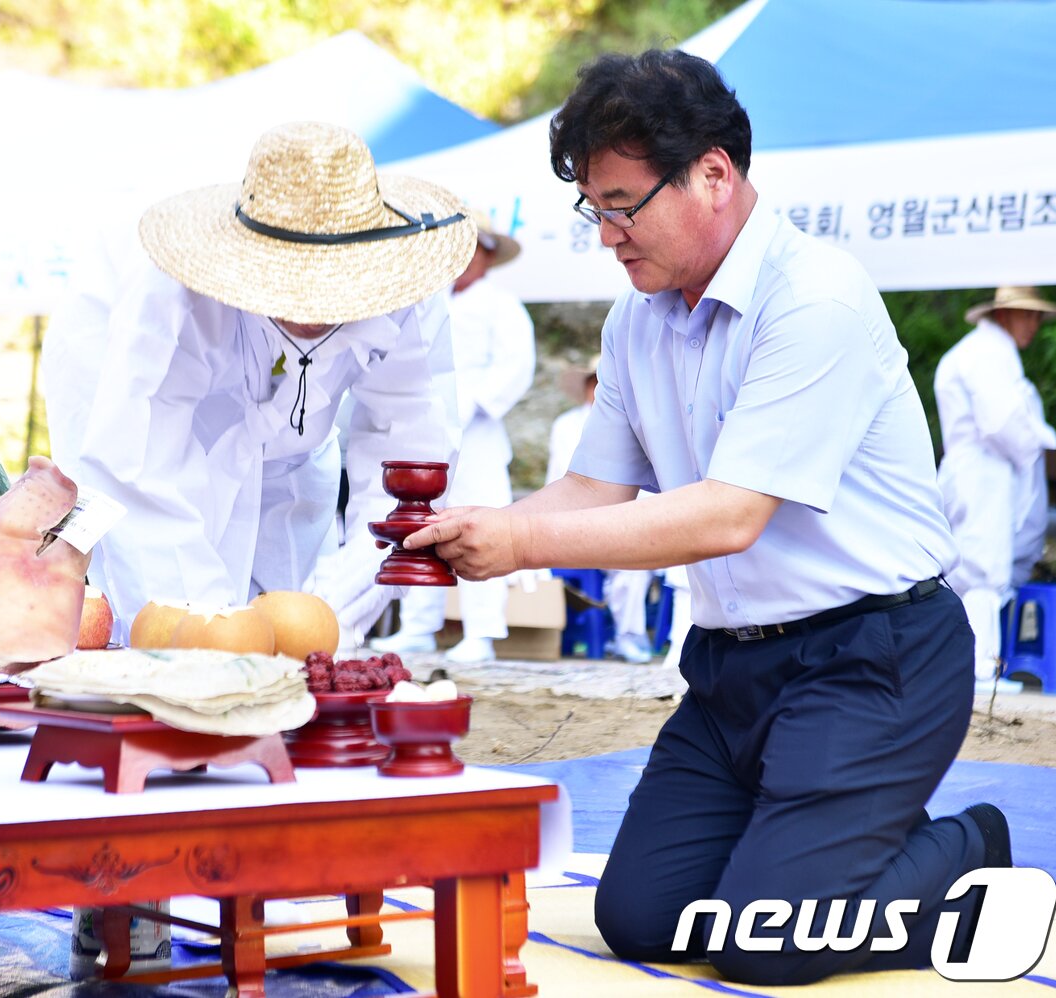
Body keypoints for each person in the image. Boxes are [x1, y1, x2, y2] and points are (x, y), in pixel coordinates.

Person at [402, 50, 1000, 986]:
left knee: (768, 944)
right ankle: (832, 834)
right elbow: (594, 490)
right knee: (641, 919)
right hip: (733, 672)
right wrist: (475, 525)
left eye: (623, 205)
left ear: (714, 173)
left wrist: (519, 541)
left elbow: (727, 517)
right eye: (593, 209)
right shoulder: (637, 322)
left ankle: (968, 850)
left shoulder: (812, 297)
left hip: (873, 659)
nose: (606, 236)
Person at [42, 122, 475, 646]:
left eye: (335, 283)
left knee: (293, 608)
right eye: (292, 283)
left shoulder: (409, 283)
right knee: (180, 632)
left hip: (293, 444)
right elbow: (137, 469)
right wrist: (208, 636)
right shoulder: (164, 290)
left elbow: (411, 458)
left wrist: (332, 615)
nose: (312, 309)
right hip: (135, 413)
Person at [371, 215, 535, 662]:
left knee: (485, 524)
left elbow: (516, 365)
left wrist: (476, 402)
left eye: (471, 249)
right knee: (421, 521)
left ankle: (482, 634)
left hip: (477, 434)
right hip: (427, 429)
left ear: (487, 254)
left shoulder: (502, 304)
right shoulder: (431, 301)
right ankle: (418, 626)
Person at [935, 286, 1056, 694]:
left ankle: (966, 671)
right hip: (982, 474)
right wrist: (1038, 442)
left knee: (968, 572)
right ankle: (980, 672)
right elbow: (1001, 423)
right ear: (1006, 314)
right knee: (981, 572)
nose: (1034, 325)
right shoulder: (989, 354)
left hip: (975, 471)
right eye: (1028, 316)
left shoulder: (982, 351)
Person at [547, 353, 655, 664]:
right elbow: (559, 480)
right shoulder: (566, 425)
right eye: (595, 382)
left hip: (626, 520)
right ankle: (623, 635)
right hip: (576, 519)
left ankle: (628, 636)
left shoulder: (635, 422)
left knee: (637, 561)